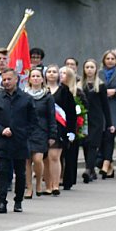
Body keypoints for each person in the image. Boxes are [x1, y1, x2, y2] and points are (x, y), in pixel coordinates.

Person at [0, 68, 36, 213]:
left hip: (20, 142)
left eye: (9, 79)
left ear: (16, 79)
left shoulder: (26, 99)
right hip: (3, 142)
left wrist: (23, 133)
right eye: (4, 80)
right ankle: (1, 201)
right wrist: (0, 130)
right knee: (3, 171)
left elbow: (33, 121)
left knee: (20, 173)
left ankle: (18, 201)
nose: (6, 82)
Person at [78, 59, 112, 183]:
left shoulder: (101, 85)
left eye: (92, 67)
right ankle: (91, 169)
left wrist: (110, 123)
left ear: (96, 69)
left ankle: (87, 169)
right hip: (83, 117)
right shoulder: (80, 85)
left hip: (96, 119)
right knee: (86, 143)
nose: (89, 70)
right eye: (87, 67)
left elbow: (105, 106)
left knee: (93, 144)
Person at [43, 64, 76, 195]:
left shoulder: (64, 91)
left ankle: (56, 185)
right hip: (43, 128)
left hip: (59, 129)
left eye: (54, 72)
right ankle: (48, 185)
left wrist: (71, 131)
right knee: (44, 158)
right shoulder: (42, 91)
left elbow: (71, 113)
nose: (51, 74)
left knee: (54, 157)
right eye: (49, 72)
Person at [24, 69, 56, 197]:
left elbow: (51, 116)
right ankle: (29, 187)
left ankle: (38, 182)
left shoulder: (47, 96)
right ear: (29, 79)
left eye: (38, 76)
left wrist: (52, 134)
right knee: (26, 160)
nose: (36, 78)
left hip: (41, 131)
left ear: (42, 79)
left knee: (37, 159)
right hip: (26, 131)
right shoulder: (24, 95)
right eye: (33, 76)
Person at [59, 66, 81, 190]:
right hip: (59, 124)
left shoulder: (76, 91)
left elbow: (79, 110)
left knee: (70, 154)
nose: (62, 75)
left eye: (64, 73)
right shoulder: (57, 90)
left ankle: (68, 178)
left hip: (71, 125)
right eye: (60, 73)